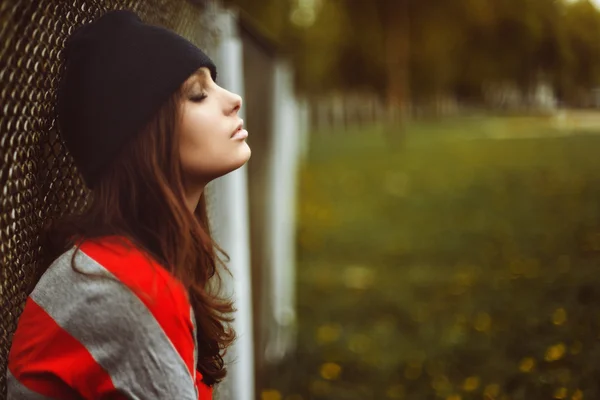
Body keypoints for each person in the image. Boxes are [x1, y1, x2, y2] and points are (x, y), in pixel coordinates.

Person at [6, 9, 250, 400]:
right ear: (143, 136)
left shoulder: (130, 264)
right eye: (198, 94)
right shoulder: (130, 287)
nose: (234, 99)